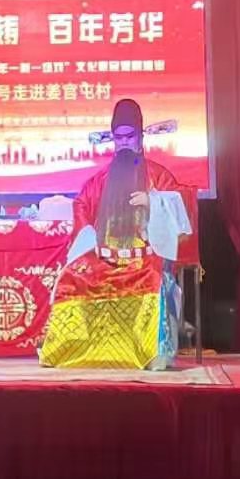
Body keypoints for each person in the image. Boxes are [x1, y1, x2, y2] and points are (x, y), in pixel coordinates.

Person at [39, 98, 193, 370]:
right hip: (105, 258)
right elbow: (81, 209)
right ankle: (69, 351)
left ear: (140, 136)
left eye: (129, 136)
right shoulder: (98, 182)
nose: (123, 143)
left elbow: (181, 211)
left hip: (145, 259)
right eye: (118, 138)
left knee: (154, 277)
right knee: (72, 277)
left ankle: (150, 352)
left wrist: (152, 202)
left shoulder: (158, 176)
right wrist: (92, 243)